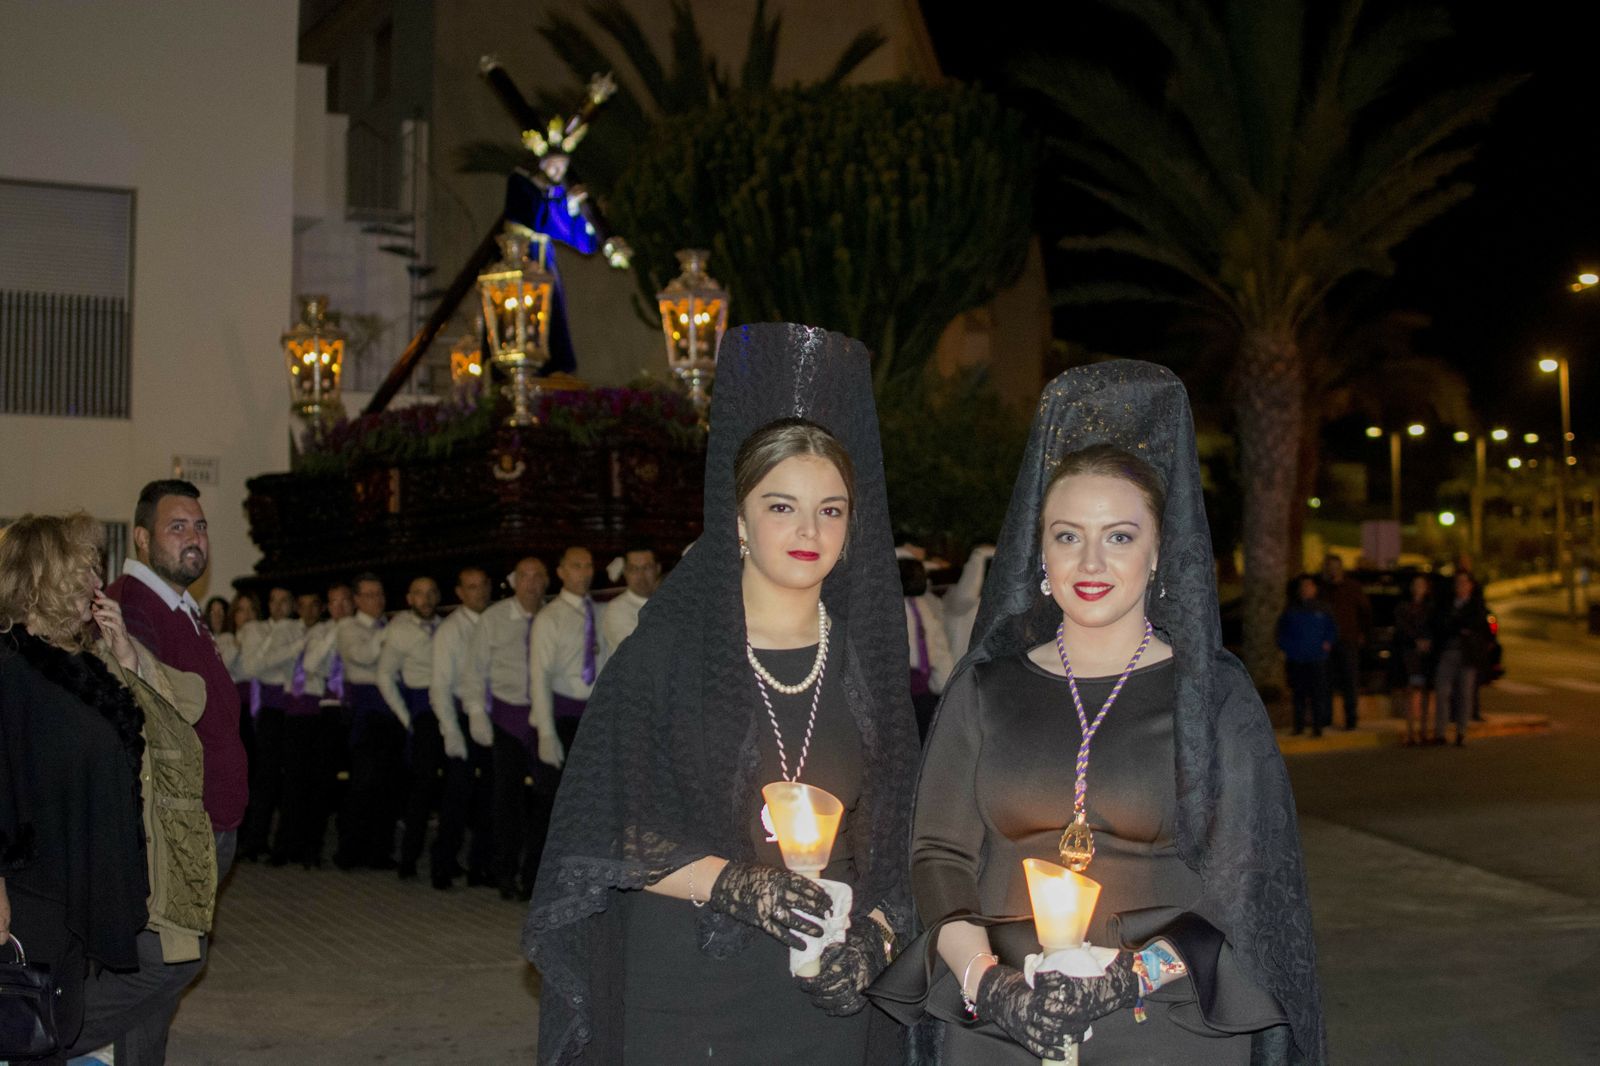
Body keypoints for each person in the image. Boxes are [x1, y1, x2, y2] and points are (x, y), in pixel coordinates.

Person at [880, 362, 1324, 1065]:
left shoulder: (1214, 698)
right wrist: (987, 984)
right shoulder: (985, 688)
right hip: (1000, 1020)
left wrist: (1123, 980)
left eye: (1119, 536)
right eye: (1067, 535)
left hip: (1166, 1017)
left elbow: (1246, 888)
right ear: (1040, 555)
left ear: (1157, 555)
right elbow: (939, 857)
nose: (1091, 560)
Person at [524, 323, 919, 1065]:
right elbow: (605, 827)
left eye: (830, 509)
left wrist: (875, 939)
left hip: (817, 998)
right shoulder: (666, 653)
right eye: (781, 506)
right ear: (738, 520)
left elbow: (900, 850)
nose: (809, 529)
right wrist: (737, 885)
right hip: (685, 997)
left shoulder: (867, 669)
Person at [1, 513, 216, 1066]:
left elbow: (186, 708)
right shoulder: (10, 663)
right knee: (40, 1023)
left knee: (59, 1019)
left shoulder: (81, 663)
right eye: (81, 573)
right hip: (35, 889)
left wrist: (128, 657)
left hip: (84, 883)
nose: (95, 585)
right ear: (42, 579)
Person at [106, 479, 248, 879]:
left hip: (206, 819)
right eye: (178, 527)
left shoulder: (180, 605)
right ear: (142, 537)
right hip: (176, 826)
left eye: (200, 527)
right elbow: (142, 718)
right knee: (170, 945)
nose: (194, 538)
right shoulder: (133, 606)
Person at [461, 556, 549, 900]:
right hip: (507, 718)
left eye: (537, 575)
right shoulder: (494, 619)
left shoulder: (552, 616)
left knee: (546, 798)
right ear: (514, 581)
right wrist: (475, 714)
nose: (531, 582)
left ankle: (536, 872)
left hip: (546, 716)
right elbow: (473, 671)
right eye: (524, 576)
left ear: (547, 580)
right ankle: (505, 871)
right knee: (506, 800)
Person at [429, 566, 496, 890]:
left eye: (483, 585)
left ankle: (479, 865)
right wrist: (450, 730)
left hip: (490, 716)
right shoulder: (451, 630)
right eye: (471, 587)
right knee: (457, 797)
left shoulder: (494, 621)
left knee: (487, 796)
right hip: (460, 717)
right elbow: (440, 686)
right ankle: (442, 863)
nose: (479, 592)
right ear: (459, 592)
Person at [376, 576, 443, 880]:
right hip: (424, 713)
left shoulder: (447, 627)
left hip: (451, 710)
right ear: (409, 598)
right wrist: (408, 718)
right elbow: (385, 677)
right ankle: (409, 858)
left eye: (431, 593)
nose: (426, 599)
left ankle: (445, 859)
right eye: (419, 594)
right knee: (422, 787)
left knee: (452, 786)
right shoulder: (400, 630)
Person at [334, 573, 396, 869]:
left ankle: (379, 851)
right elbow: (362, 656)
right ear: (357, 599)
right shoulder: (349, 627)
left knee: (386, 784)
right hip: (366, 712)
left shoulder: (388, 626)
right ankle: (349, 850)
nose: (378, 601)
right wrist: (389, 636)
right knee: (363, 782)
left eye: (380, 594)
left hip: (390, 709)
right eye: (370, 595)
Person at [238, 587, 305, 862]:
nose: (278, 606)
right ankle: (256, 840)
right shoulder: (256, 629)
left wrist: (276, 658)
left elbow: (296, 669)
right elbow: (254, 667)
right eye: (273, 600)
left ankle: (285, 843)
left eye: (284, 601)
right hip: (266, 710)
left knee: (291, 777)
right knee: (263, 777)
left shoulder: (300, 628)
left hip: (294, 708)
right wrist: (288, 651)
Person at [528, 545, 601, 776]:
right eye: (576, 566)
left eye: (588, 565)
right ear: (561, 572)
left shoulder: (600, 611)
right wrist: (546, 733)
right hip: (566, 716)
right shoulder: (549, 618)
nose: (584, 571)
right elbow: (539, 676)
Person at [1431, 570, 1491, 747]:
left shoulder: (1477, 606)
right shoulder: (1447, 605)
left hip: (1468, 655)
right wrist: (1458, 627)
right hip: (1448, 652)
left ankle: (1461, 732)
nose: (1461, 586)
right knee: (1442, 692)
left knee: (1465, 694)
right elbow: (1443, 625)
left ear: (1471, 586)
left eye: (1464, 583)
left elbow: (1478, 627)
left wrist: (1460, 626)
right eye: (1458, 583)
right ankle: (1440, 732)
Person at [899, 554, 954, 738]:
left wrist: (946, 685)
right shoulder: (888, 607)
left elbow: (938, 648)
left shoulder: (925, 606)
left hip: (923, 688)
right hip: (901, 688)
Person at [1277, 576, 1337, 738]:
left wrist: (1326, 645)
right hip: (1297, 659)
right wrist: (1287, 648)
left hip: (1317, 659)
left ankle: (1318, 727)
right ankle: (1299, 726)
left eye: (1309, 586)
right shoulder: (1291, 609)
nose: (1306, 589)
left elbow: (1331, 630)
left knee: (1317, 693)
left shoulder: (1323, 609)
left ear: (1315, 589)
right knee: (1299, 694)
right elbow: (1281, 631)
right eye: (1303, 586)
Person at [1318, 554, 1371, 730]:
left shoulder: (1352, 588)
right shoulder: (1322, 590)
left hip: (1348, 640)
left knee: (1350, 681)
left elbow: (1365, 612)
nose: (1332, 570)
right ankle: (1325, 718)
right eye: (1329, 567)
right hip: (1326, 643)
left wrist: (1362, 633)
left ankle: (1351, 718)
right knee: (1325, 681)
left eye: (1335, 566)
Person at [1391, 574, 1435, 746]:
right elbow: (1402, 628)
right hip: (1410, 654)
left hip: (1426, 655)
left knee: (1425, 692)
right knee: (1410, 692)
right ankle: (1410, 732)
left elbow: (1435, 626)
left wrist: (1427, 641)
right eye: (1415, 584)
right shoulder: (1403, 607)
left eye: (1421, 585)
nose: (1418, 588)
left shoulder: (1431, 608)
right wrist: (1415, 640)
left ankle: (1424, 730)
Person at [600, 546, 661, 653]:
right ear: (625, 572)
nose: (641, 575)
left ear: (658, 569)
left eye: (647, 567)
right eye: (634, 569)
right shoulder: (616, 610)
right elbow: (641, 652)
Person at [943, 543, 996, 660]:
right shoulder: (956, 598)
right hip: (961, 672)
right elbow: (967, 593)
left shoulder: (994, 600)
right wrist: (979, 555)